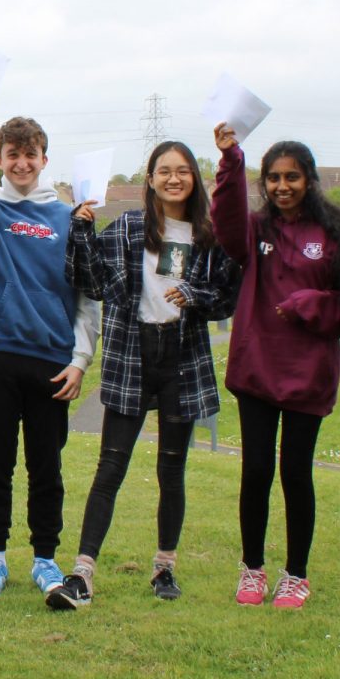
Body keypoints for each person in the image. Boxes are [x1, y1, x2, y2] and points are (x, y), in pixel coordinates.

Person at [52, 140, 239, 608]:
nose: (173, 178)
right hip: (132, 353)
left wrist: (195, 296)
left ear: (194, 178)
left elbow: (225, 297)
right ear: (150, 178)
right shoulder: (130, 227)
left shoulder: (208, 236)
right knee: (110, 467)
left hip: (183, 356)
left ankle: (164, 568)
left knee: (171, 468)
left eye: (183, 171)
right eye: (164, 171)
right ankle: (82, 574)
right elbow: (93, 281)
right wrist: (80, 231)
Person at [0, 82, 99, 600]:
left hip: (52, 363)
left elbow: (85, 297)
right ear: (0, 159)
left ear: (44, 158)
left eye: (30, 155)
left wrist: (80, 359)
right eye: (13, 155)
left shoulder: (69, 217)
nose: (22, 164)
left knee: (46, 468)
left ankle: (46, 561)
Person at [210, 126, 340, 610]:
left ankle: (296, 575)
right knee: (255, 471)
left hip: (308, 373)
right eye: (273, 178)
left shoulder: (337, 234)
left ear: (309, 180)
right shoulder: (255, 231)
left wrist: (309, 303)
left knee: (295, 473)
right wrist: (231, 160)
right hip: (256, 368)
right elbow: (225, 223)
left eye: (292, 177)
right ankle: (252, 569)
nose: (282, 186)